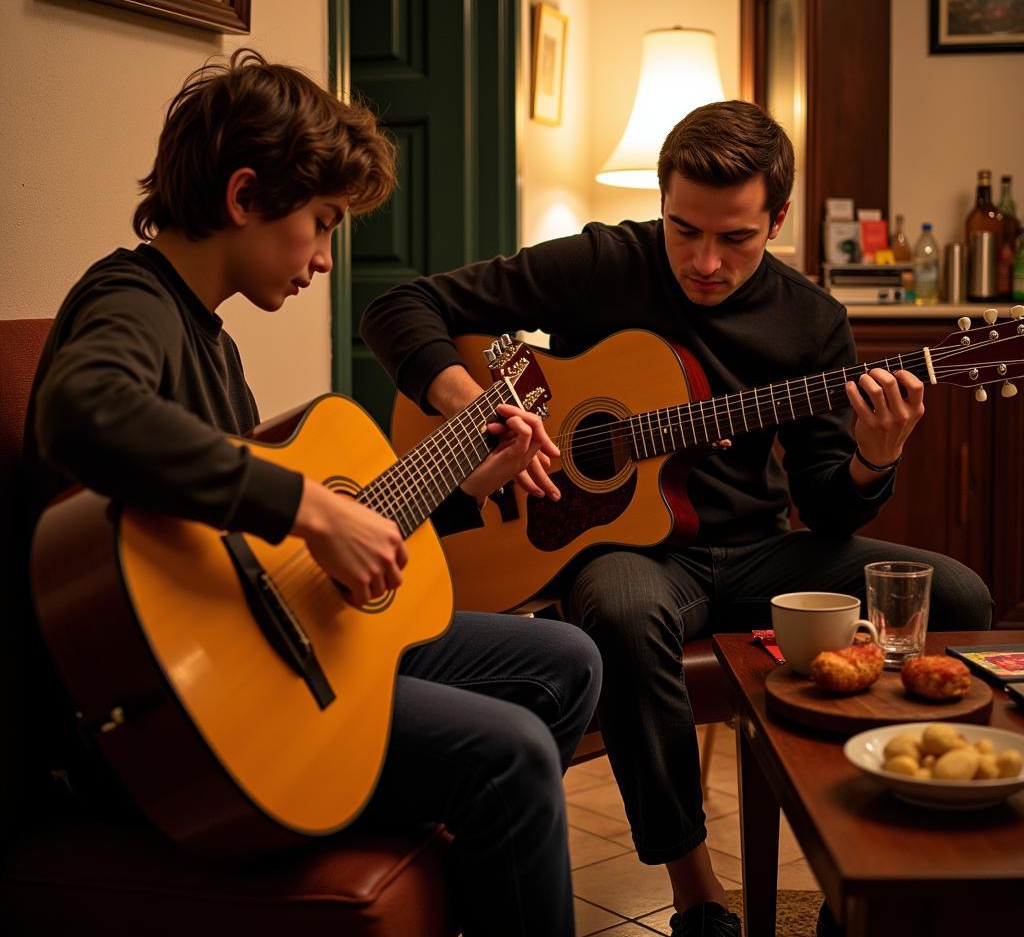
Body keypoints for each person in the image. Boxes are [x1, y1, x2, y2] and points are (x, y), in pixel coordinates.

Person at [359, 100, 994, 937]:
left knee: (957, 595)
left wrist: (875, 456)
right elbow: (402, 306)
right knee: (622, 611)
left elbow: (829, 508)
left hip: (762, 550)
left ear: (778, 218)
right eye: (682, 229)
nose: (704, 261)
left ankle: (879, 857)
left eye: (736, 238)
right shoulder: (605, 264)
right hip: (630, 554)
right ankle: (697, 896)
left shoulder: (811, 321)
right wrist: (483, 410)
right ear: (660, 204)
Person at [17, 48, 602, 937]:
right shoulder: (127, 298)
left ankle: (454, 853)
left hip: (267, 643)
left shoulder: (212, 340)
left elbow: (269, 548)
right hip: (171, 711)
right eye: (322, 224)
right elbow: (82, 410)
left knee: (568, 661)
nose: (327, 260)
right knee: (511, 755)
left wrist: (460, 482)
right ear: (244, 197)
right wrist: (316, 509)